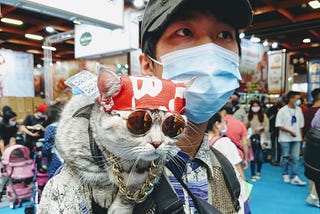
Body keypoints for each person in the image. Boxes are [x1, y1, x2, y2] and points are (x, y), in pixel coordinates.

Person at [138, 0, 253, 213]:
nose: (209, 51)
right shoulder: (99, 176)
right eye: (184, 32)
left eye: (224, 35)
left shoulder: (228, 173)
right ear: (147, 64)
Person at [207, 112, 249, 214]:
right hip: (227, 187)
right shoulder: (225, 143)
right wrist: (246, 191)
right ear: (217, 124)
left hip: (209, 188)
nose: (225, 125)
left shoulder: (200, 141)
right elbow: (237, 168)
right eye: (223, 122)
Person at [275, 91, 306, 185]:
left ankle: (294, 176)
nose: (298, 101)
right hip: (285, 138)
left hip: (296, 139)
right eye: (296, 98)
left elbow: (301, 125)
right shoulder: (282, 110)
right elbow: (278, 125)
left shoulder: (299, 110)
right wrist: (290, 131)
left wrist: (301, 137)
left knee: (296, 158)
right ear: (291, 99)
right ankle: (285, 173)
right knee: (285, 156)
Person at [303, 88, 320, 207]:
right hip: (315, 145)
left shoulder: (313, 111)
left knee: (314, 171)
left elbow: (312, 125)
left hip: (313, 145)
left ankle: (313, 195)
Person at [220, 102, 249, 169]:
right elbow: (245, 143)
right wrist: (246, 159)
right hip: (237, 153)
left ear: (223, 111)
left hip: (221, 153)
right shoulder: (240, 124)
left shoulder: (218, 124)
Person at [247, 100, 269, 181]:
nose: (255, 107)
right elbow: (244, 127)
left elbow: (267, 128)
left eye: (257, 106)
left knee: (260, 157)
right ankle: (253, 173)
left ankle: (258, 171)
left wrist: (262, 128)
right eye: (253, 106)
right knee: (252, 157)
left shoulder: (263, 116)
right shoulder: (248, 116)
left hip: (261, 139)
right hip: (251, 138)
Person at [42, 103, 63, 178]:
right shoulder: (64, 125)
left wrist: (43, 154)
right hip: (66, 159)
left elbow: (47, 147)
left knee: (55, 179)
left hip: (56, 159)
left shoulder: (50, 128)